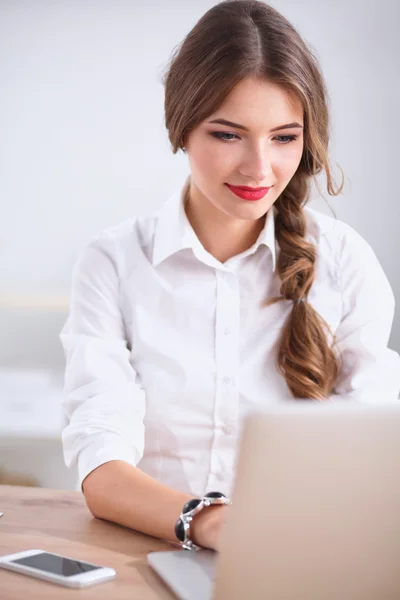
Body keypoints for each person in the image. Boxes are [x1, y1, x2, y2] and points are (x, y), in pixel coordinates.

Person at [59, 0, 400, 552]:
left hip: (302, 557)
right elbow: (102, 462)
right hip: (150, 553)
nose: (259, 169)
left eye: (285, 137)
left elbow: (374, 448)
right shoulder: (114, 262)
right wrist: (216, 525)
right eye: (228, 134)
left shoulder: (343, 260)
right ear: (183, 127)